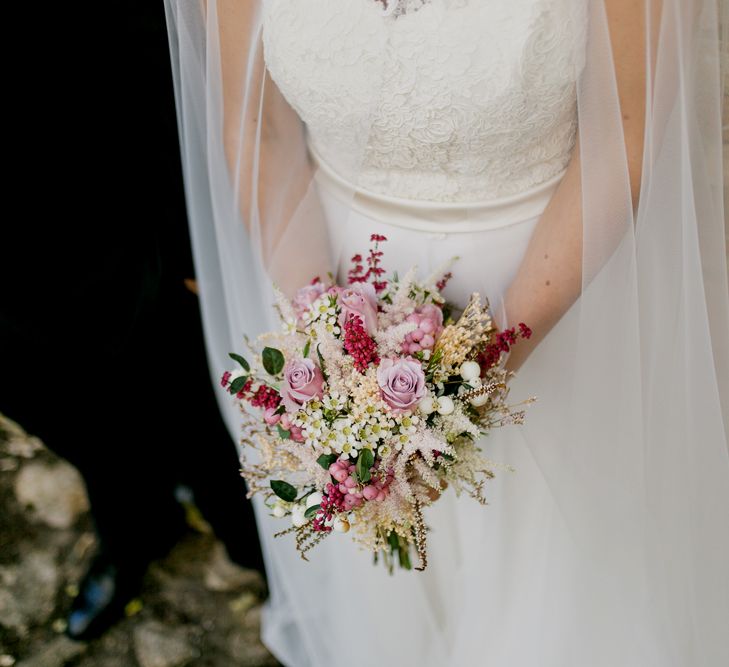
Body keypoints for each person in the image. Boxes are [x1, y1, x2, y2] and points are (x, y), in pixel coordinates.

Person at [164, 0, 729, 665]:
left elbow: (623, 137)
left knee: (565, 569)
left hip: (553, 280)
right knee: (393, 572)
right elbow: (258, 130)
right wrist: (327, 341)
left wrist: (476, 374)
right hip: (329, 263)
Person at [0, 0, 264, 641]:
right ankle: (136, 526)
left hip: (111, 252)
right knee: (77, 427)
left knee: (198, 419)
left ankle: (256, 546)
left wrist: (189, 244)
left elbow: (159, 58)